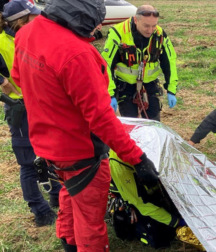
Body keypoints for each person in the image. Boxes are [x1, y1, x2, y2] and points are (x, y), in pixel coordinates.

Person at [12, 0, 159, 251]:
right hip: (82, 153)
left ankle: (69, 244)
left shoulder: (27, 33)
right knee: (90, 224)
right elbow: (101, 119)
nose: (97, 28)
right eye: (94, 23)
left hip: (49, 147)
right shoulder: (77, 54)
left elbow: (18, 78)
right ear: (81, 16)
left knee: (69, 200)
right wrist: (137, 159)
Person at [0, 0, 61, 227]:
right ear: (22, 21)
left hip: (41, 103)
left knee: (50, 152)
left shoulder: (34, 37)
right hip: (20, 107)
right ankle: (40, 210)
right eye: (34, 16)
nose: (39, 19)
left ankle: (56, 194)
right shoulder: (2, 40)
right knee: (28, 162)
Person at [102, 4, 178, 121]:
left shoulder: (160, 34)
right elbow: (106, 64)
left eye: (154, 25)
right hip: (125, 86)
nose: (150, 30)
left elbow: (170, 61)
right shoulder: (117, 33)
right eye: (146, 26)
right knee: (131, 123)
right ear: (136, 20)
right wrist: (110, 94)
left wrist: (171, 89)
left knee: (153, 122)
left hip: (150, 84)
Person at [108, 150, 185, 248]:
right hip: (130, 192)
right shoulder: (120, 167)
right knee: (161, 236)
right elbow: (142, 205)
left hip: (139, 177)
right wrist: (177, 222)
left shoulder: (141, 144)